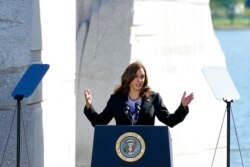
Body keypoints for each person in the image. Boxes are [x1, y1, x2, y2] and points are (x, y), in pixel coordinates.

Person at [83, 61, 194, 127]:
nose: (139, 80)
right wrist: (89, 105)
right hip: (123, 150)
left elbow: (170, 121)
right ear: (128, 78)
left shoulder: (154, 98)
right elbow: (100, 123)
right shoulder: (116, 100)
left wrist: (183, 107)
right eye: (136, 76)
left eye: (142, 77)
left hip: (146, 150)